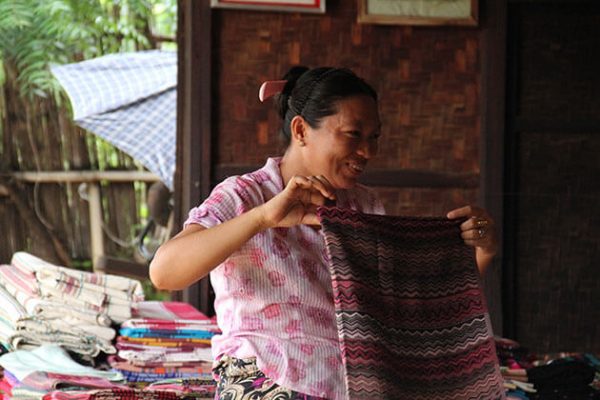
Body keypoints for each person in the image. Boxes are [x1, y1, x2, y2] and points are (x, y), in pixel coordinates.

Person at [149, 66, 498, 400]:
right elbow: (164, 272)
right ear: (300, 130)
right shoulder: (244, 195)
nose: (367, 151)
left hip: (354, 385)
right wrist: (263, 218)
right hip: (264, 378)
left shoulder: (363, 206)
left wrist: (481, 251)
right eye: (353, 134)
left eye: (374, 137)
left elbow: (412, 307)